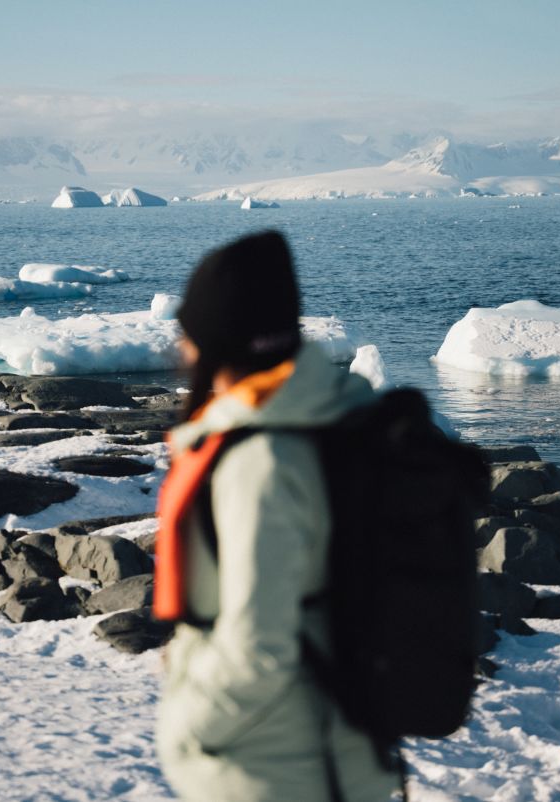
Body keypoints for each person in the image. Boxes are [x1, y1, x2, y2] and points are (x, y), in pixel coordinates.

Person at [153, 231, 402, 802]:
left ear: (214, 342)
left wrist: (188, 724)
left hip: (275, 764)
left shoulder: (259, 461)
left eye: (187, 333)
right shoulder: (330, 420)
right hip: (328, 741)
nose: (181, 348)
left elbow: (259, 645)